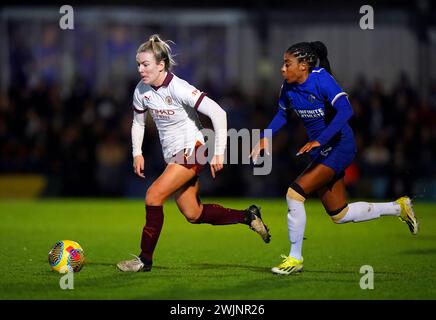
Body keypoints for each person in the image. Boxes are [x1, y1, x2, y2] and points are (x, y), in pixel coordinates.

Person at [250, 41, 419, 275]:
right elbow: (281, 114)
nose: (282, 68)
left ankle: (295, 259)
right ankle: (398, 208)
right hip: (323, 149)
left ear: (303, 66)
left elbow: (346, 110)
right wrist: (265, 136)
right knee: (340, 214)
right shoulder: (287, 88)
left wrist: (321, 139)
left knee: (294, 194)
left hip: (340, 145)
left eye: (287, 63)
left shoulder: (321, 79)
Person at [117, 34, 271, 272]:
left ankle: (144, 260)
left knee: (153, 196)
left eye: (145, 64)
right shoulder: (141, 90)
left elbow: (218, 113)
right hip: (174, 155)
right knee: (193, 213)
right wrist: (137, 152)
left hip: (194, 149)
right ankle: (248, 216)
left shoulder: (179, 87)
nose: (140, 69)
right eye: (138, 64)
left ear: (161, 65)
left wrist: (219, 151)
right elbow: (138, 123)